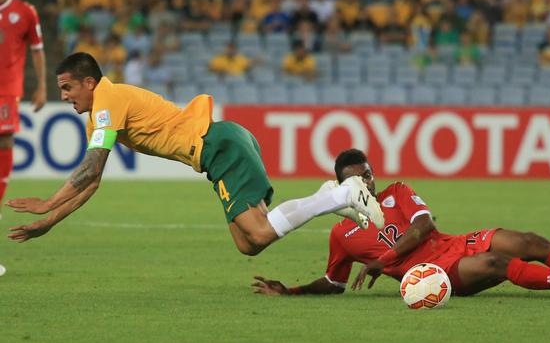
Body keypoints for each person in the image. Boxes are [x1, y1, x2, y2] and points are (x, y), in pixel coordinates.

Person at [6, 53, 384, 256]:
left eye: (68, 87)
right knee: (248, 245)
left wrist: (47, 204)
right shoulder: (99, 117)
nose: (65, 96)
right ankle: (327, 196)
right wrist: (50, 221)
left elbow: (90, 168)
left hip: (218, 145)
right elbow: (93, 182)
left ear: (89, 82)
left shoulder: (107, 98)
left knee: (258, 232)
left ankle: (341, 193)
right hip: (220, 149)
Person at [252, 149, 550, 298]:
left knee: (527, 240)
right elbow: (335, 282)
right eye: (360, 177)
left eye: (369, 173)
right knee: (495, 265)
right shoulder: (341, 234)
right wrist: (292, 291)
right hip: (433, 273)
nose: (369, 181)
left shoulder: (397, 192)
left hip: (452, 243)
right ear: (344, 186)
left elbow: (423, 228)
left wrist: (381, 260)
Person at [0, 0, 47, 212]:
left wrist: (42, 86)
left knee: (5, 140)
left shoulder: (26, 11)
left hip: (7, 89)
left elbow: (37, 50)